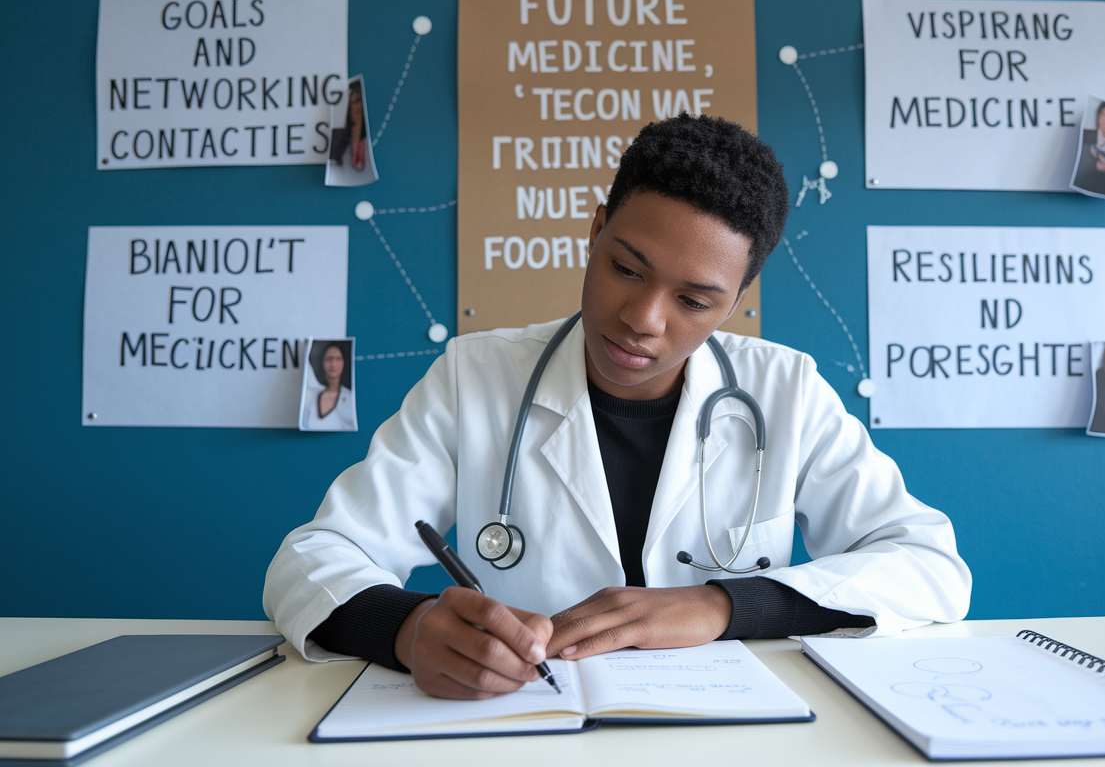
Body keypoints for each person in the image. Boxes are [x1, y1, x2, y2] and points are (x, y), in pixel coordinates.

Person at [264, 114, 971, 700]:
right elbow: (311, 558)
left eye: (695, 300)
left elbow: (930, 565)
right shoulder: (474, 376)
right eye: (626, 269)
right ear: (595, 228)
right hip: (523, 732)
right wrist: (408, 627)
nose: (643, 318)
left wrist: (720, 605)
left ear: (738, 298)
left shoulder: (785, 391)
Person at [300, 341, 357, 431]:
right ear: (322, 362)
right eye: (329, 359)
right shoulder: (311, 395)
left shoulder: (350, 398)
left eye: (338, 359)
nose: (333, 364)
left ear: (344, 362)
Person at [329, 79, 367, 171]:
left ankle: (357, 160)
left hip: (357, 119)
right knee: (349, 137)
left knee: (358, 138)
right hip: (352, 118)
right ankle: (349, 159)